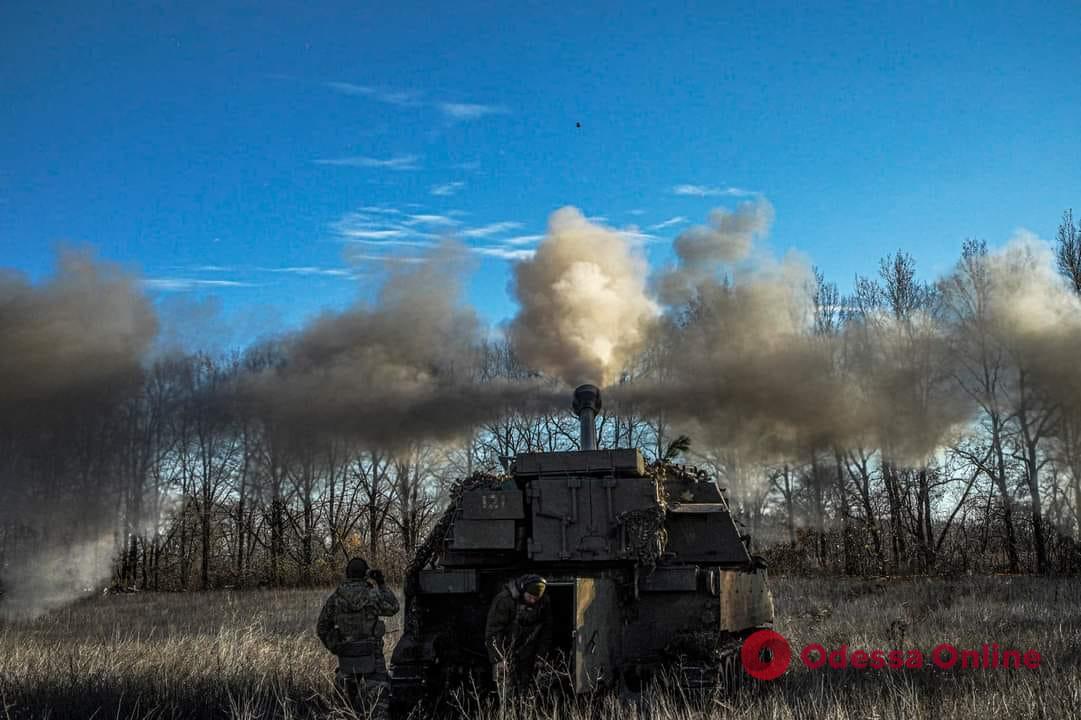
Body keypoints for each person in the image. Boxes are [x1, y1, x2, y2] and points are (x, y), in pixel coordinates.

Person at [317, 557, 400, 719]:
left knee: (343, 708)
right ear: (365, 574)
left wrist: (336, 646)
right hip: (372, 656)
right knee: (378, 705)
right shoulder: (373, 595)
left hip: (347, 659)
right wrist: (381, 584)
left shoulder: (336, 599)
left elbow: (322, 628)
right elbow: (394, 607)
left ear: (347, 574)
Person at [484, 574, 552, 693]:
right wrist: (498, 659)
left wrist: (541, 656)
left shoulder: (543, 602)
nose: (532, 601)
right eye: (530, 596)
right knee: (506, 694)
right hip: (504, 653)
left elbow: (546, 631)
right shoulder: (505, 600)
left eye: (535, 599)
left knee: (528, 693)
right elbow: (493, 631)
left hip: (527, 654)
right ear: (522, 589)